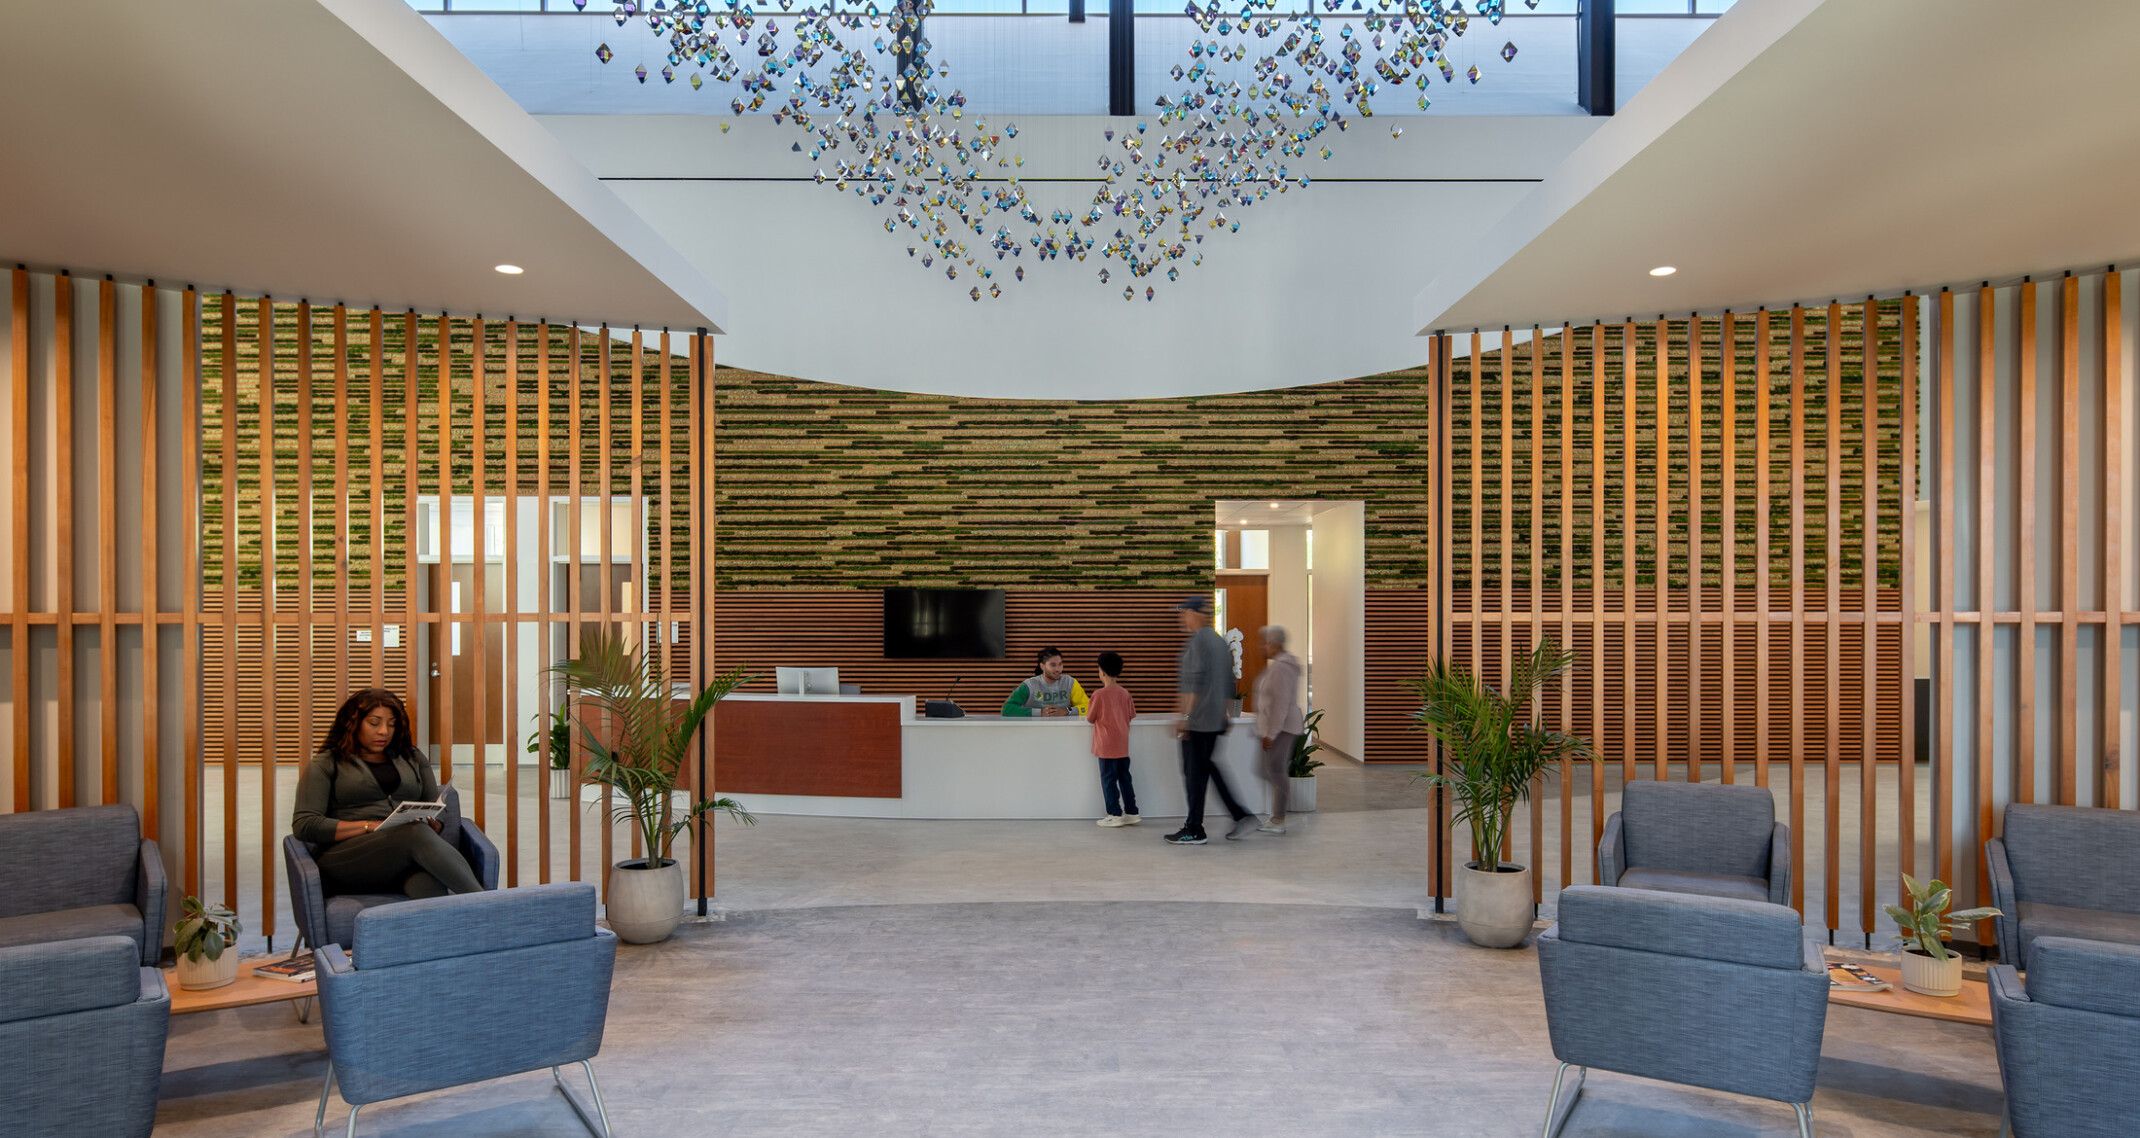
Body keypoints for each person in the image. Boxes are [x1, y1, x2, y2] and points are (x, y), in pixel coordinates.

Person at [290, 688, 486, 901]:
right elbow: (305, 824)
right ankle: (489, 904)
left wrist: (436, 822)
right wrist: (369, 826)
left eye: (392, 724)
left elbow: (436, 807)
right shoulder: (326, 764)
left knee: (428, 884)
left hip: (402, 856)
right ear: (353, 723)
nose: (384, 731)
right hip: (344, 858)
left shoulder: (413, 758)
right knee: (414, 833)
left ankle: (463, 931)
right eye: (374, 723)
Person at [1164, 596, 1256, 845]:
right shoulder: (1218, 642)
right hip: (1213, 721)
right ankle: (1238, 816)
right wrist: (1226, 715)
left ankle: (1196, 828)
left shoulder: (1197, 644)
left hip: (1197, 722)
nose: (1182, 617)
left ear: (1196, 614)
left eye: (1184, 613)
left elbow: (1192, 685)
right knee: (1206, 770)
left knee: (1195, 773)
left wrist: (1184, 717)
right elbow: (1229, 684)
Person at [1254, 625, 1306, 834]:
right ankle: (1280, 814)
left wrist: (1271, 734)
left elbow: (1281, 704)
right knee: (1270, 770)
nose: (1262, 647)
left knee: (1275, 770)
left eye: (1264, 642)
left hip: (1282, 728)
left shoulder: (1282, 667)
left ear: (1274, 644)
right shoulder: (1278, 665)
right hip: (1278, 727)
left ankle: (1279, 818)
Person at [1086, 652, 1140, 827]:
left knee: (1108, 779)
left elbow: (1090, 717)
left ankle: (1114, 813)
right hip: (1122, 745)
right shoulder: (1125, 694)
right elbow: (1131, 714)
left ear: (1102, 671)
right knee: (1125, 777)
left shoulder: (1098, 694)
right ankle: (1132, 812)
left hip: (1106, 745)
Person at [1001, 646, 1090, 717]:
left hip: (1063, 732)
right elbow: (1007, 709)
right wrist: (1040, 713)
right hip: (1033, 733)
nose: (1058, 669)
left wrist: (1067, 711)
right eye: (1053, 665)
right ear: (1042, 666)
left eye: (1060, 664)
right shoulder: (1029, 685)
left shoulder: (1070, 682)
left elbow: (1089, 706)